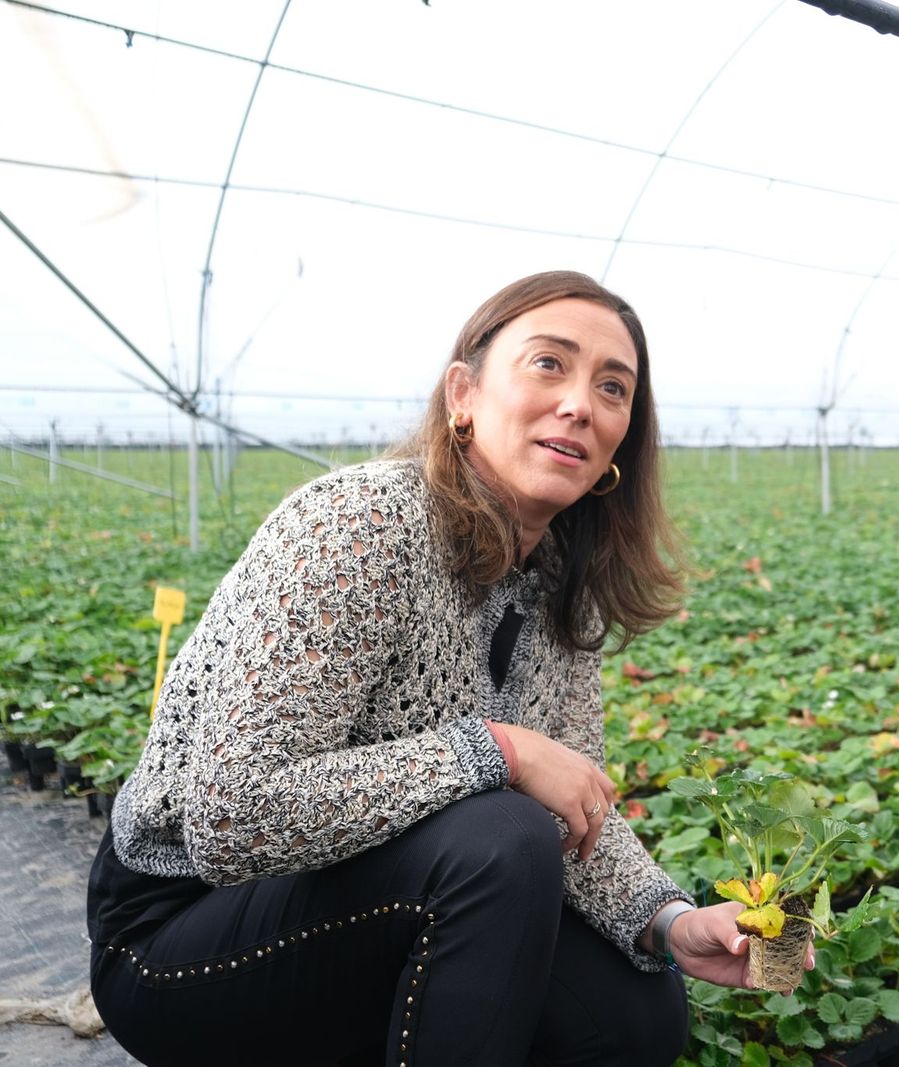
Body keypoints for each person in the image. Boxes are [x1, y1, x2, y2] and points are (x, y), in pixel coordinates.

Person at [87, 271, 787, 1066]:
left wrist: (668, 919)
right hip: (180, 933)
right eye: (549, 364)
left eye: (613, 388)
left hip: (365, 901)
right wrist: (498, 750)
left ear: (620, 443)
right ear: (464, 393)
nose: (580, 405)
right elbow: (230, 816)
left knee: (635, 1013)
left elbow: (576, 812)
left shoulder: (563, 585)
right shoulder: (361, 526)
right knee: (501, 834)